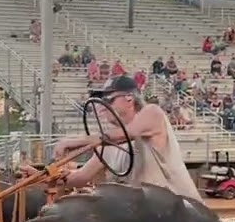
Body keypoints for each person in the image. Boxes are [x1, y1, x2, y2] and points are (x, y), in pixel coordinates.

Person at [18, 75, 203, 202]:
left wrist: (71, 142)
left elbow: (125, 134)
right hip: (147, 213)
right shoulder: (108, 144)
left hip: (179, 211)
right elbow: (81, 178)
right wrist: (40, 177)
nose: (103, 107)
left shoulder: (152, 114)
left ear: (129, 98)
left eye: (109, 100)